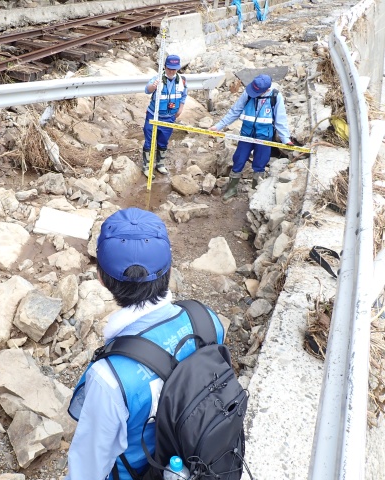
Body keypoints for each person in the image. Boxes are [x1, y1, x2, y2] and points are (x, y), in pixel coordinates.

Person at [66, 208, 226, 480]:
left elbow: (87, 470)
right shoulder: (206, 320)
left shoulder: (109, 378)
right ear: (170, 269)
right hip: (206, 460)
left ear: (101, 278)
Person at [209, 74, 293, 201]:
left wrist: (286, 139)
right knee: (239, 159)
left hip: (264, 136)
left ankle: (256, 190)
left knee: (260, 162)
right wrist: (219, 126)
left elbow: (280, 120)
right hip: (246, 134)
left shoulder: (275, 97)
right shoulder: (249, 93)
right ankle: (232, 189)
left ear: (267, 90)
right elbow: (235, 111)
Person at [142, 54, 187, 176]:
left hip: (169, 118)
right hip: (154, 116)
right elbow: (147, 90)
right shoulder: (158, 78)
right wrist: (153, 86)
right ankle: (146, 167)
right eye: (169, 68)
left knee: (163, 142)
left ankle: (160, 164)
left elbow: (184, 95)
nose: (172, 71)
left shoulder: (181, 80)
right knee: (149, 141)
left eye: (174, 69)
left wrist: (180, 109)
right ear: (165, 67)